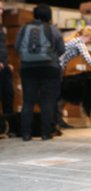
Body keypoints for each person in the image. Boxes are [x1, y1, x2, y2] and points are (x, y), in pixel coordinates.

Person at [15, 4, 65, 141]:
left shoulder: (24, 29)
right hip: (49, 69)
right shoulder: (53, 30)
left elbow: (17, 47)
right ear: (49, 16)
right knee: (47, 101)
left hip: (27, 69)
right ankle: (46, 133)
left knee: (28, 101)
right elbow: (61, 49)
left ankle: (26, 133)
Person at [58, 26, 91, 128]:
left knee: (57, 98)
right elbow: (89, 59)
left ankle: (57, 121)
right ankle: (53, 122)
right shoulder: (79, 43)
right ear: (86, 36)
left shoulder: (74, 41)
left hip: (57, 67)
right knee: (55, 98)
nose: (90, 41)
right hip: (57, 67)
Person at [0, 0, 14, 115]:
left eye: (2, 9)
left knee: (8, 95)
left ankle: (9, 127)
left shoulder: (1, 27)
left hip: (4, 67)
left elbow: (2, 47)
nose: (1, 11)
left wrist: (7, 62)